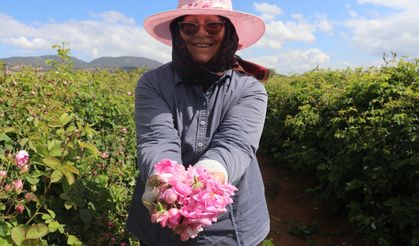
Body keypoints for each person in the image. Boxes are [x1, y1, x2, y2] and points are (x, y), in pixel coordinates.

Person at [127, 0, 270, 245]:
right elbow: (157, 139)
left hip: (231, 228)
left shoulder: (249, 89)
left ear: (228, 32)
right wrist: (164, 183)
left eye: (213, 26)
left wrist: (209, 182)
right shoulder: (153, 83)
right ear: (177, 32)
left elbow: (235, 143)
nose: (201, 33)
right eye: (190, 26)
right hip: (163, 227)